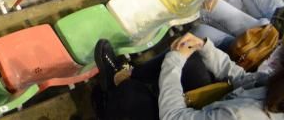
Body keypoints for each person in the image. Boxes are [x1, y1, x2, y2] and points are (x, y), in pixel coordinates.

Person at [93, 33, 284, 120]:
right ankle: (128, 74)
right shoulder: (277, 89)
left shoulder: (241, 116)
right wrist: (204, 46)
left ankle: (113, 90)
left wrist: (174, 61)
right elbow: (245, 79)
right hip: (218, 105)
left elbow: (174, 116)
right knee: (192, 57)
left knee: (131, 94)